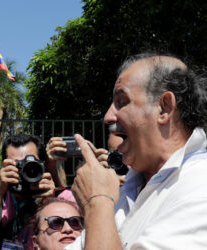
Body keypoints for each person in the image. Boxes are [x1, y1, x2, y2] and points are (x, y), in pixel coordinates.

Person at [66, 53, 207, 249]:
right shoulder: (127, 191)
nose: (108, 117)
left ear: (165, 108)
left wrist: (97, 202)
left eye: (122, 102)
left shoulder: (200, 186)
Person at [0, 134, 75, 249]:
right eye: (17, 165)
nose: (24, 172)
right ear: (4, 166)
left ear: (43, 165)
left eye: (31, 165)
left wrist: (50, 203)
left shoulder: (59, 195)